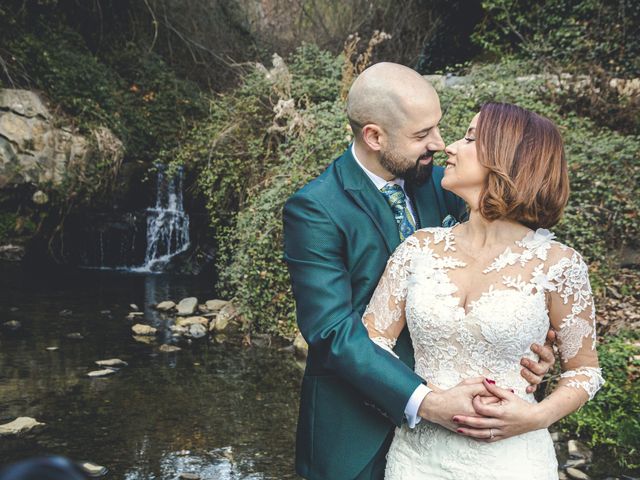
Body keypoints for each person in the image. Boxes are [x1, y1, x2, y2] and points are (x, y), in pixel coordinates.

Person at [283, 63, 556, 480]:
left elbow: (511, 261)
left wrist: (533, 344)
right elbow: (332, 332)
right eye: (421, 135)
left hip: (463, 430)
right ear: (374, 136)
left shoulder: (446, 183)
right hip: (355, 427)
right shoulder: (316, 209)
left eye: (439, 127)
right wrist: (426, 401)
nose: (440, 143)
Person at [363, 102, 604, 479]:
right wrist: (425, 399)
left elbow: (585, 371)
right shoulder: (419, 248)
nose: (450, 148)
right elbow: (371, 341)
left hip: (511, 461)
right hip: (416, 459)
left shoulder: (559, 265)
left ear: (509, 159)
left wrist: (537, 415)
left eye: (470, 138)